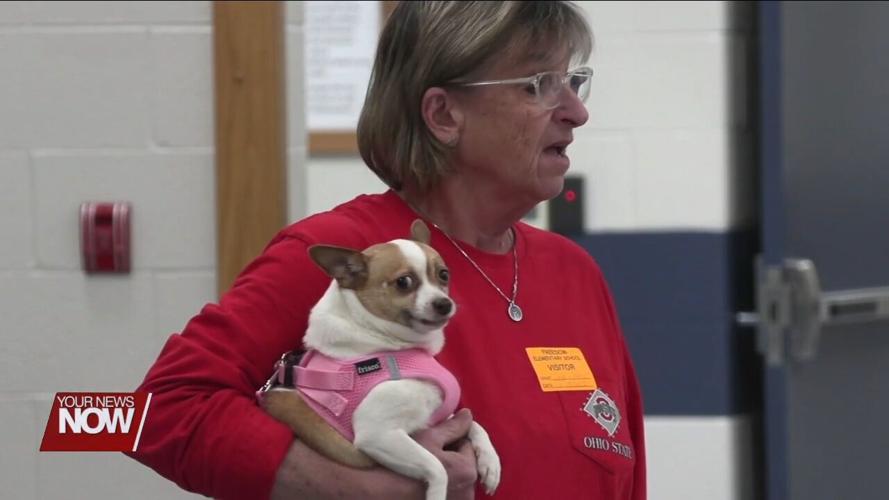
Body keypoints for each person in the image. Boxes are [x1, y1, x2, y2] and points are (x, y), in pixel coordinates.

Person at [126, 1, 646, 499]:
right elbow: (124, 417)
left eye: (573, 82)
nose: (577, 112)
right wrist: (347, 488)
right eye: (540, 84)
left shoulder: (574, 273)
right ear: (444, 114)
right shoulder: (338, 255)